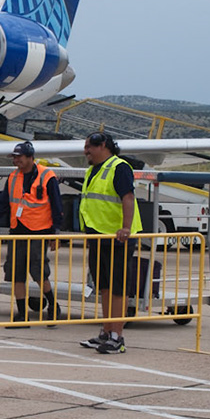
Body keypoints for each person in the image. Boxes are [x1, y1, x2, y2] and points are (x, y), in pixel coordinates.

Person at [77, 131, 139, 355]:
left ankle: (117, 337)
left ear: (102, 145)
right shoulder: (93, 169)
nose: (86, 151)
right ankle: (106, 331)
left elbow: (128, 197)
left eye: (89, 147)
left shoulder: (119, 167)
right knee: (103, 286)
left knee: (117, 287)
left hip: (117, 237)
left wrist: (126, 227)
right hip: (98, 236)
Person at [2, 140, 63, 325]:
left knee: (38, 271)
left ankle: (52, 305)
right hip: (17, 230)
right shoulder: (13, 177)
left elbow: (57, 205)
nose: (16, 161)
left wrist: (55, 232)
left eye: (19, 157)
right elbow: (3, 202)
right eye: (14, 157)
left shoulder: (47, 176)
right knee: (16, 273)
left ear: (30, 157)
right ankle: (22, 315)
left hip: (39, 231)